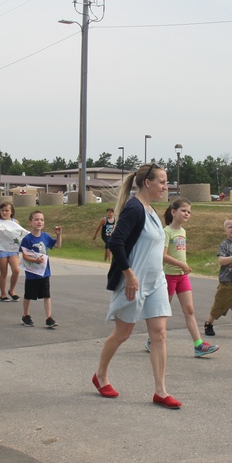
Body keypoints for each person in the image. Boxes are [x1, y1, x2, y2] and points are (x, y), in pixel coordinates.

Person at [94, 163, 180, 409]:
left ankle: (161, 391)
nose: (166, 186)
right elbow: (115, 242)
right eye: (162, 181)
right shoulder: (134, 208)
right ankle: (100, 376)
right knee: (123, 333)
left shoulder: (151, 210)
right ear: (147, 183)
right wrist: (129, 275)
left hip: (156, 282)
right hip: (134, 282)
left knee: (159, 334)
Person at [154, 198, 218, 358]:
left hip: (182, 277)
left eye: (189, 212)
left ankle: (198, 344)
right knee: (163, 311)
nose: (187, 214)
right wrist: (181, 264)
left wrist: (183, 266)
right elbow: (162, 255)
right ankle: (153, 339)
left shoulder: (183, 232)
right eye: (184, 210)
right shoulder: (166, 231)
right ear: (173, 212)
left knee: (189, 310)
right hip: (168, 277)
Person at [19, 210, 62, 328]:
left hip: (44, 273)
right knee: (29, 295)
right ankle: (26, 315)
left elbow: (57, 245)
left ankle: (49, 318)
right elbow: (25, 256)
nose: (39, 222)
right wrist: (35, 260)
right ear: (30, 223)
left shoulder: (45, 236)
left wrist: (58, 235)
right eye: (36, 219)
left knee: (46, 295)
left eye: (42, 220)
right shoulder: (27, 239)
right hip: (32, 273)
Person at [0, 201, 22, 301]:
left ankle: (12, 290)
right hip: (1, 249)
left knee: (16, 270)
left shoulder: (15, 222)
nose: (4, 213)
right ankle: (3, 294)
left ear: (11, 212)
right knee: (4, 272)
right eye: (2, 210)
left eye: (7, 210)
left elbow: (19, 234)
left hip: (12, 249)